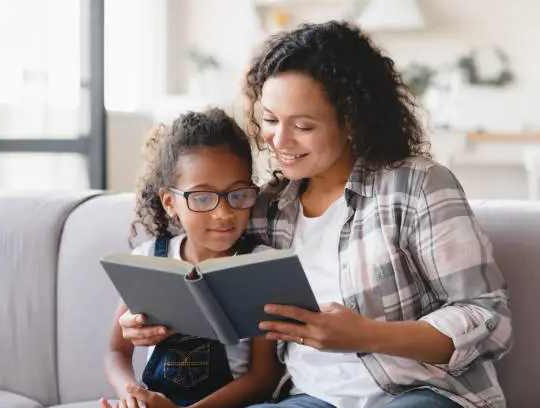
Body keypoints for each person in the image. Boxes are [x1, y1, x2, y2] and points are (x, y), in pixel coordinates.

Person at [117, 21, 512, 408]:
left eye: (303, 126)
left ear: (352, 122)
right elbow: (194, 252)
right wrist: (138, 320)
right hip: (309, 399)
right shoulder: (266, 208)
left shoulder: (417, 187)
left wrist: (367, 335)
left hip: (421, 393)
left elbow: (488, 318)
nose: (280, 141)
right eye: (270, 120)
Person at [101, 109, 281, 408]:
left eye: (237, 194)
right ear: (170, 202)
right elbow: (114, 352)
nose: (223, 213)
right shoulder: (148, 261)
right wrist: (133, 394)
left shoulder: (259, 267)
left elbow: (263, 377)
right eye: (202, 198)